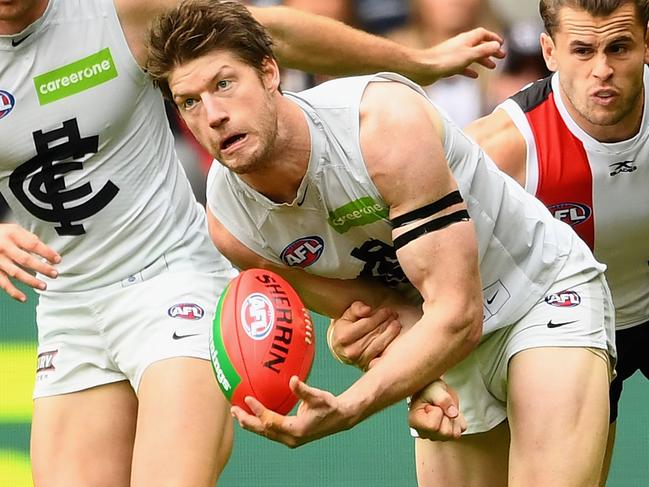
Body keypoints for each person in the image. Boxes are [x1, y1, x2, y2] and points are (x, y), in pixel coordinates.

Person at [0, 0, 507, 485]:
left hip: (172, 280)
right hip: (66, 302)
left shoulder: (119, 9)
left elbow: (266, 34)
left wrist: (419, 61)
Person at [146, 2, 616, 485]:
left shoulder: (380, 124)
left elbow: (458, 313)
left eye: (224, 84)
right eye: (190, 102)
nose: (214, 116)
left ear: (270, 72)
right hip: (445, 341)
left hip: (537, 293)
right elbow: (385, 312)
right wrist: (410, 371)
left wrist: (350, 407)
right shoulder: (231, 227)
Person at [332, 0, 649, 484]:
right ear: (549, 51)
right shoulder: (500, 146)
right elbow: (397, 251)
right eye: (582, 50)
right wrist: (352, 325)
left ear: (648, 42)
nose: (601, 70)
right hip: (560, 324)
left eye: (619, 47)